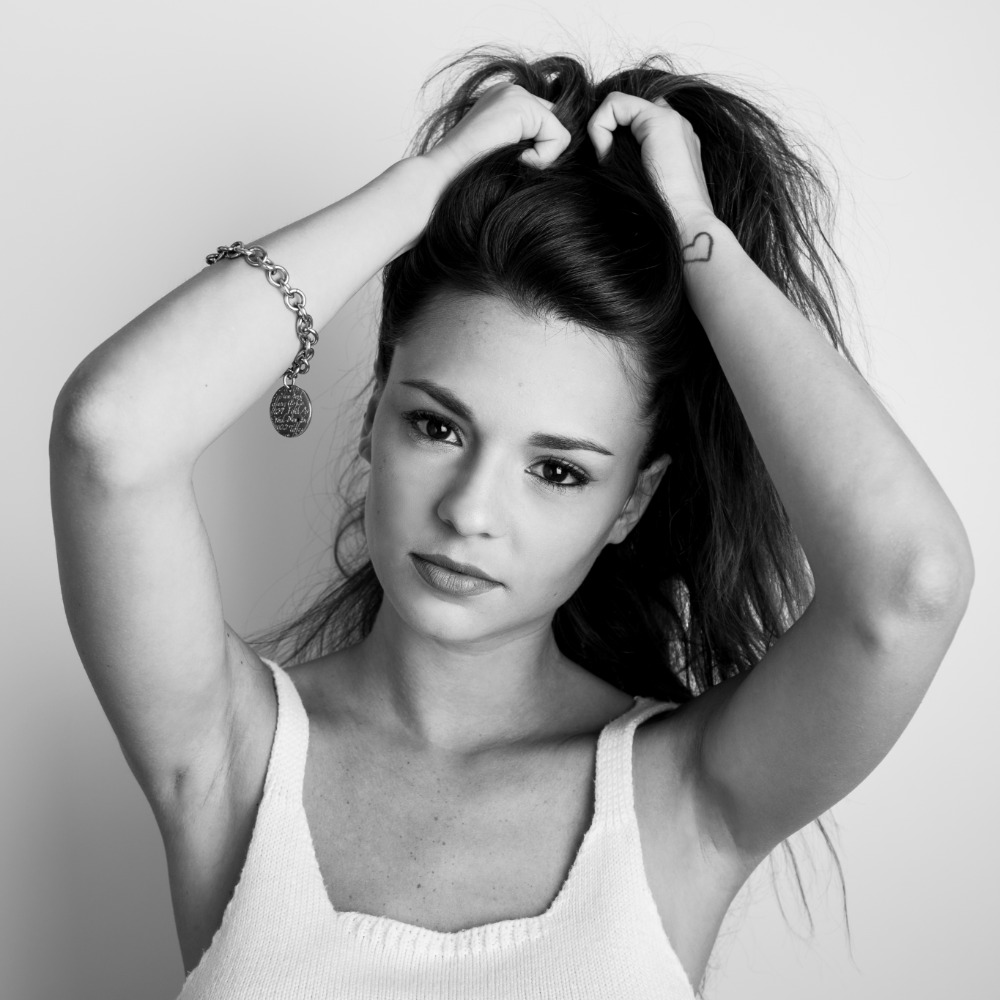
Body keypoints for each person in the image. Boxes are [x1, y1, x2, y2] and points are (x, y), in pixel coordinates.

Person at [49, 45, 974, 999]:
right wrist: (422, 187)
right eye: (437, 426)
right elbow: (108, 434)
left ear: (632, 501)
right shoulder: (229, 755)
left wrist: (700, 238)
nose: (469, 510)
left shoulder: (684, 794)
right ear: (373, 419)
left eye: (557, 470)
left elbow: (912, 583)